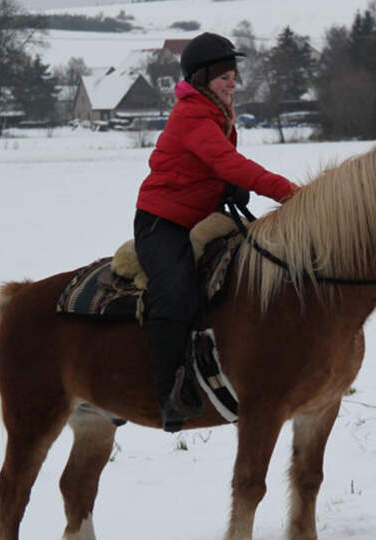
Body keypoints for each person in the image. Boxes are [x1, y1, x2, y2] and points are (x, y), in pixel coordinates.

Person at [134, 32, 300, 432]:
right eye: (224, 76)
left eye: (234, 75)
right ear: (201, 77)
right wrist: (292, 194)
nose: (232, 83)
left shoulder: (215, 114)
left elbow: (214, 167)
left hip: (198, 216)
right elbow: (228, 162)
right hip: (163, 222)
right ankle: (169, 395)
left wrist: (225, 187)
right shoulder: (193, 114)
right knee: (175, 291)